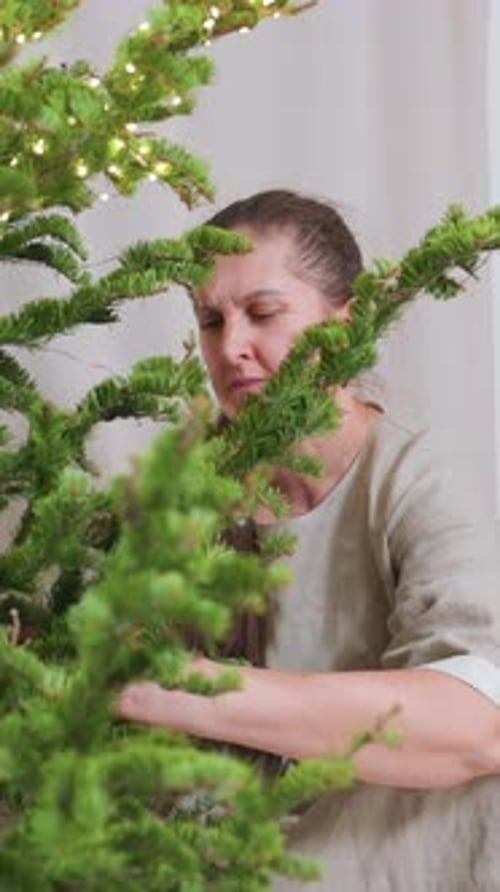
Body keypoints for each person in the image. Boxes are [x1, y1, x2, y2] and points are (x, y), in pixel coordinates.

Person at [117, 190, 500, 891]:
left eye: (263, 313)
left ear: (342, 326)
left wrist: (168, 689)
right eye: (210, 320)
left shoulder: (422, 476)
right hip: (213, 841)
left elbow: (476, 722)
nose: (230, 348)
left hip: (385, 845)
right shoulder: (178, 488)